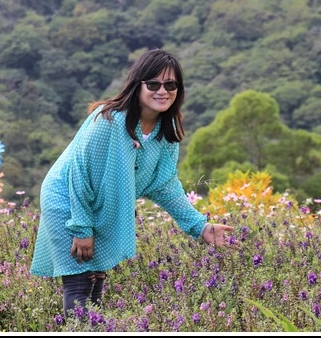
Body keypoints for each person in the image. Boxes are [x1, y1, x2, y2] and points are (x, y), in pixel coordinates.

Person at [29, 48, 235, 319]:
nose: (162, 91)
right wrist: (81, 227)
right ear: (137, 85)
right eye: (153, 84)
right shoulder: (110, 120)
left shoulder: (165, 131)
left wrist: (200, 226)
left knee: (97, 279)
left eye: (170, 84)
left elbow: (164, 185)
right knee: (80, 281)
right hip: (68, 200)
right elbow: (78, 174)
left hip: (105, 204)